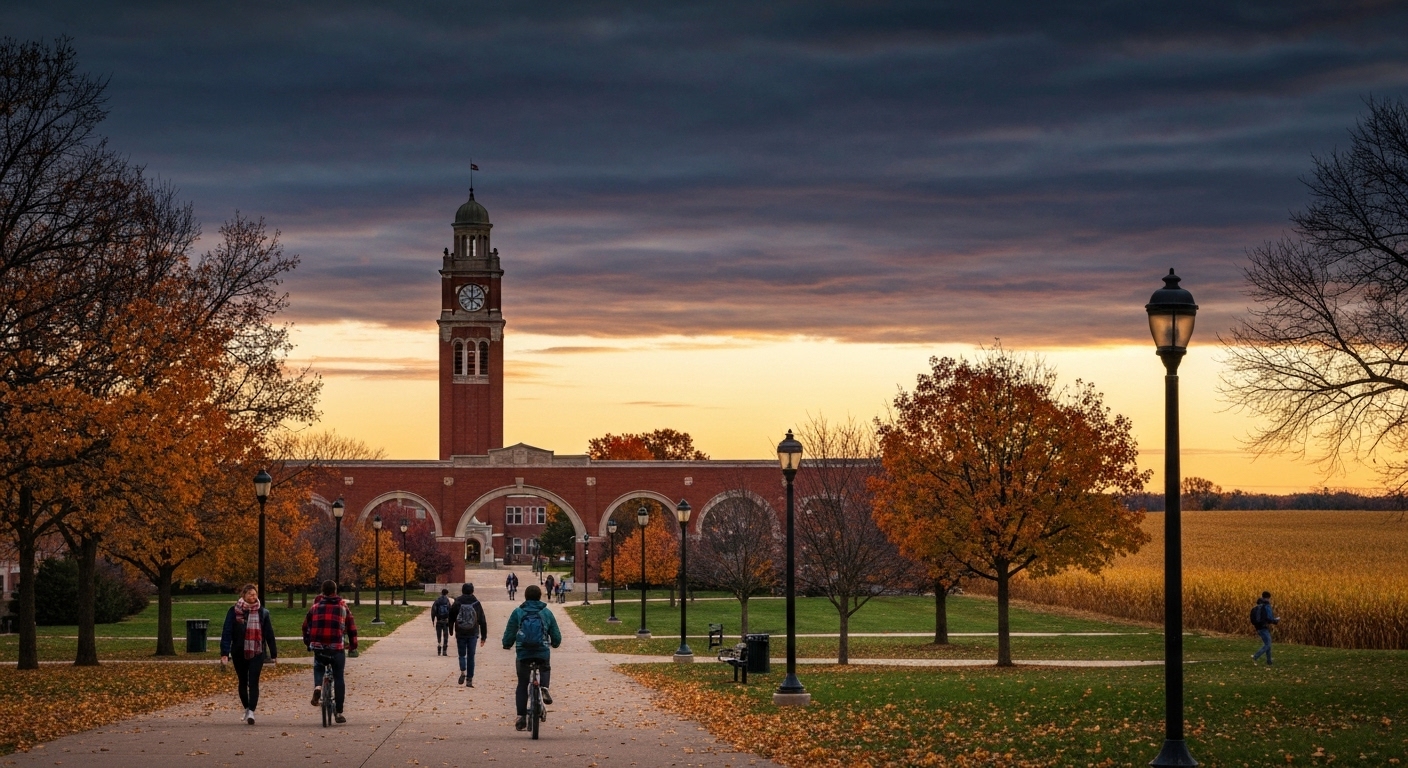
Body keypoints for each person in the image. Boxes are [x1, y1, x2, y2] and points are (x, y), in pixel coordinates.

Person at [502, 584, 563, 731]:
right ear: (540, 597)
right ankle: (544, 687)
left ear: (526, 597)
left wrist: (507, 644)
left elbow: (510, 631)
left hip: (523, 653)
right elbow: (556, 635)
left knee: (522, 684)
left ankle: (521, 716)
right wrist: (555, 643)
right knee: (545, 667)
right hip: (542, 651)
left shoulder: (518, 612)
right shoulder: (546, 612)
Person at [219, 584, 278, 726]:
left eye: (255, 594)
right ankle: (247, 707)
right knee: (242, 681)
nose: (253, 596)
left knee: (253, 681)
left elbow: (269, 634)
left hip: (257, 651)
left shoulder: (262, 612)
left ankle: (251, 711)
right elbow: (227, 631)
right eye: (250, 594)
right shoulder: (234, 611)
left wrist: (273, 653)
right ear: (243, 595)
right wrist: (224, 653)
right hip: (239, 651)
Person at [303, 580, 359, 723]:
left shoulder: (315, 607)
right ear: (335, 591)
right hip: (336, 648)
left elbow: (305, 626)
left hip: (319, 647)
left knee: (318, 666)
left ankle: (318, 686)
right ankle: (339, 712)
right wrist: (353, 645)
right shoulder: (342, 607)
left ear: (322, 591)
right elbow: (351, 627)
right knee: (338, 677)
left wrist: (308, 642)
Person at [449, 582, 487, 687]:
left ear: (462, 590)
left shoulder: (457, 602)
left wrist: (451, 630)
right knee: (471, 656)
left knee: (462, 654)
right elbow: (482, 620)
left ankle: (463, 672)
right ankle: (469, 679)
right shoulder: (476, 603)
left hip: (460, 632)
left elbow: (451, 617)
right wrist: (484, 636)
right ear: (472, 591)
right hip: (473, 633)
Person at [1252, 591, 1281, 665]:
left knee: (1267, 644)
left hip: (1258, 627)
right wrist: (1275, 620)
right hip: (1263, 627)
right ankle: (1255, 656)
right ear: (1268, 598)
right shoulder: (1266, 606)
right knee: (1268, 644)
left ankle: (1269, 661)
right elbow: (1269, 618)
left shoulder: (1258, 605)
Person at [431, 588, 453, 655]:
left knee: (439, 635)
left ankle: (439, 647)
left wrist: (433, 619)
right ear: (447, 593)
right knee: (445, 635)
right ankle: (444, 650)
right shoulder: (447, 600)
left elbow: (433, 610)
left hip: (439, 620)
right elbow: (450, 610)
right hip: (445, 621)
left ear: (441, 593)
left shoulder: (437, 600)